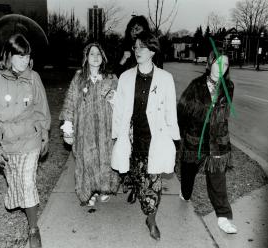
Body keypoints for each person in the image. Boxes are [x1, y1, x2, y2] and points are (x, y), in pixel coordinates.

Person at [0, 34, 50, 248]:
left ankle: (33, 229)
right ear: (8, 56)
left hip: (30, 138)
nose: (25, 61)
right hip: (6, 141)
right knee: (16, 184)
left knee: (27, 182)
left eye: (27, 56)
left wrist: (44, 133)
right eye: (20, 57)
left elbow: (41, 109)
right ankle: (21, 202)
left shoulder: (33, 77)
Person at [111, 32, 180, 241]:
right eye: (135, 47)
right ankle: (141, 196)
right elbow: (120, 110)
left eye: (142, 47)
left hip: (155, 139)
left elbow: (170, 111)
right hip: (132, 138)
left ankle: (151, 219)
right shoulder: (125, 77)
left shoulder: (165, 79)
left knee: (154, 181)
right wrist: (116, 136)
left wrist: (174, 139)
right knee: (140, 181)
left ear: (152, 50)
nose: (137, 51)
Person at [177, 50, 237, 234]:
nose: (221, 68)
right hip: (195, 139)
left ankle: (223, 217)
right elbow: (182, 111)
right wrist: (184, 135)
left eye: (225, 64)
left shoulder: (229, 86)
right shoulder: (195, 86)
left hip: (217, 142)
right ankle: (185, 192)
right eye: (217, 63)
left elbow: (223, 114)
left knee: (218, 179)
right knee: (188, 173)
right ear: (210, 63)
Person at [59, 42, 120, 207]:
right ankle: (89, 191)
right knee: (87, 159)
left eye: (98, 54)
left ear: (103, 58)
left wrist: (112, 96)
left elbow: (121, 104)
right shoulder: (78, 78)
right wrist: (68, 129)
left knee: (105, 157)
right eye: (92, 54)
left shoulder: (111, 78)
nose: (95, 57)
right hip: (84, 129)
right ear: (86, 57)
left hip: (106, 129)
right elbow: (70, 103)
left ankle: (103, 188)